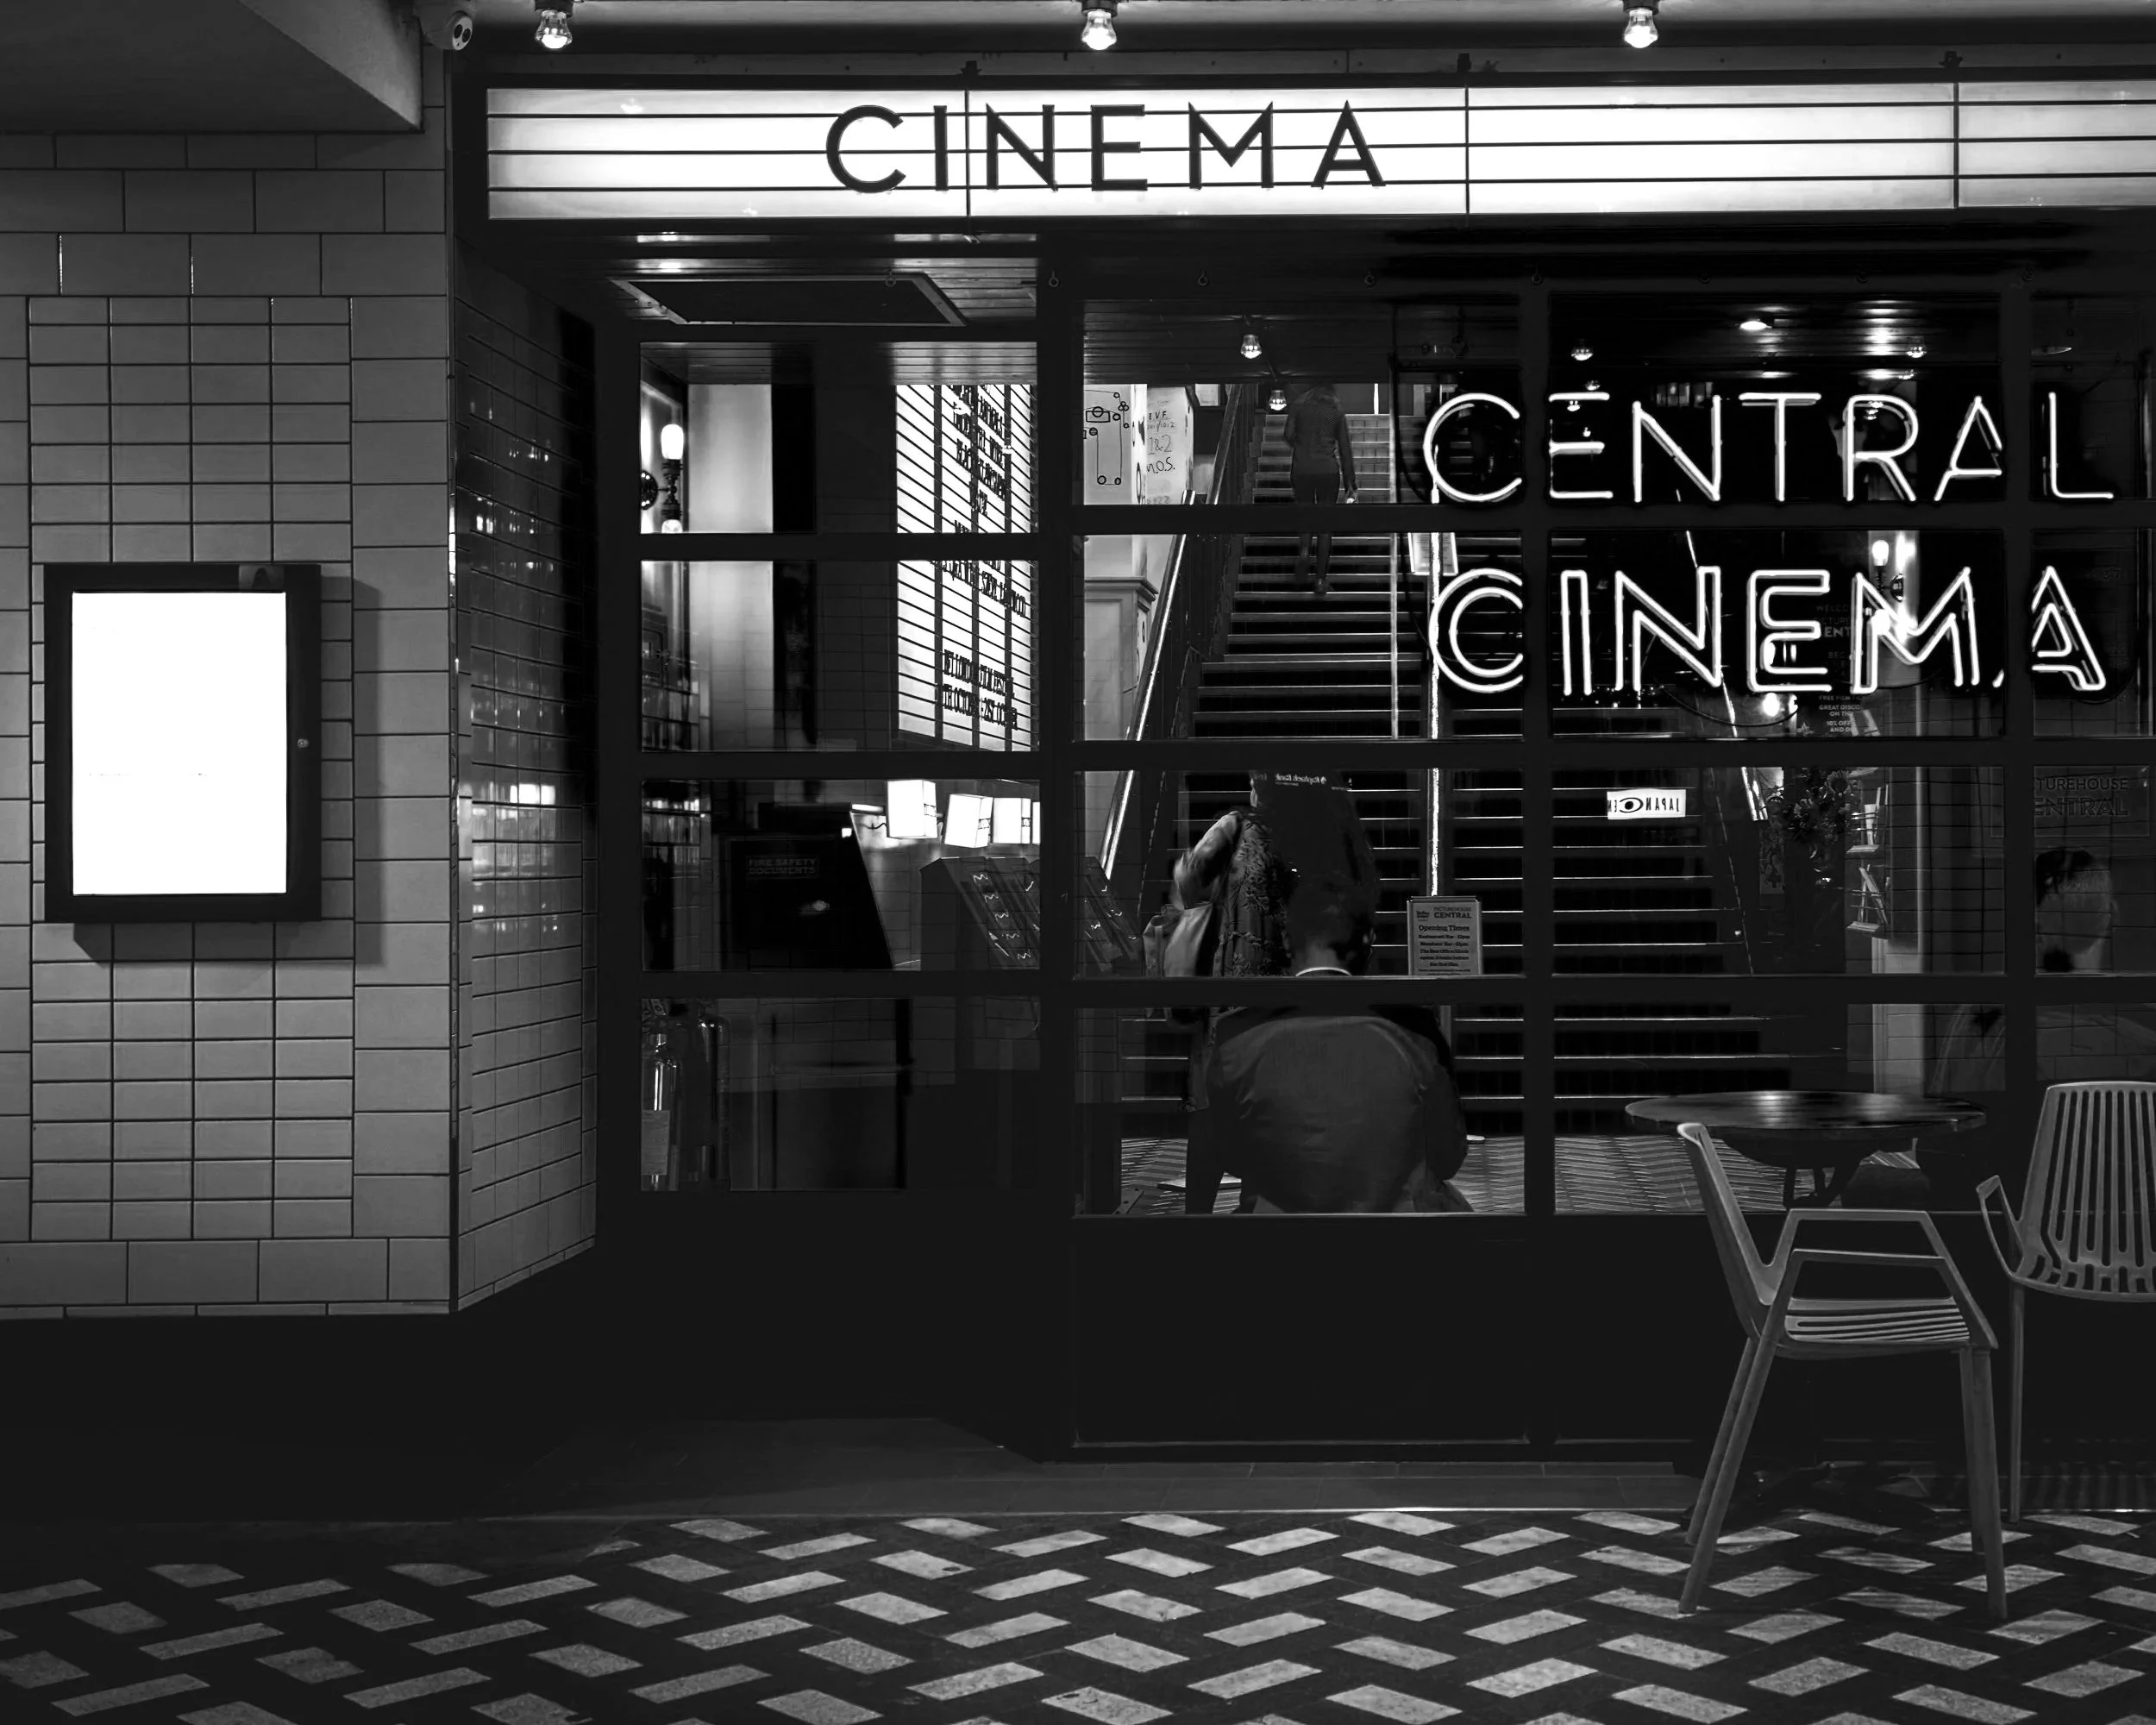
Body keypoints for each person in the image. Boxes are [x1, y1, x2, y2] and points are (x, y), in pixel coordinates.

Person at [1170, 771, 1380, 1212]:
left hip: (1236, 988)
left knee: (1214, 1104)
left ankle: (1197, 1219)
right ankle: (1259, 1207)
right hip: (1304, 987)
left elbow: (1190, 883)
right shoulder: (1329, 832)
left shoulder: (1238, 825)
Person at [1205, 886, 1472, 1213]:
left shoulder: (1238, 1032)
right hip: (1394, 1240)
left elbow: (1229, 1153)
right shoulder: (1414, 1029)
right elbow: (1447, 1154)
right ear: (1367, 940)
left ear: (1288, 940)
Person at [1282, 382, 1359, 595]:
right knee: (1325, 527)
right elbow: (1345, 449)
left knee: (1306, 515)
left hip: (1302, 469)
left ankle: (1305, 553)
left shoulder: (1299, 406)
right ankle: (1320, 580)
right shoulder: (1336, 410)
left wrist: (1302, 445)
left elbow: (1288, 435)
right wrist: (1350, 485)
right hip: (1328, 471)